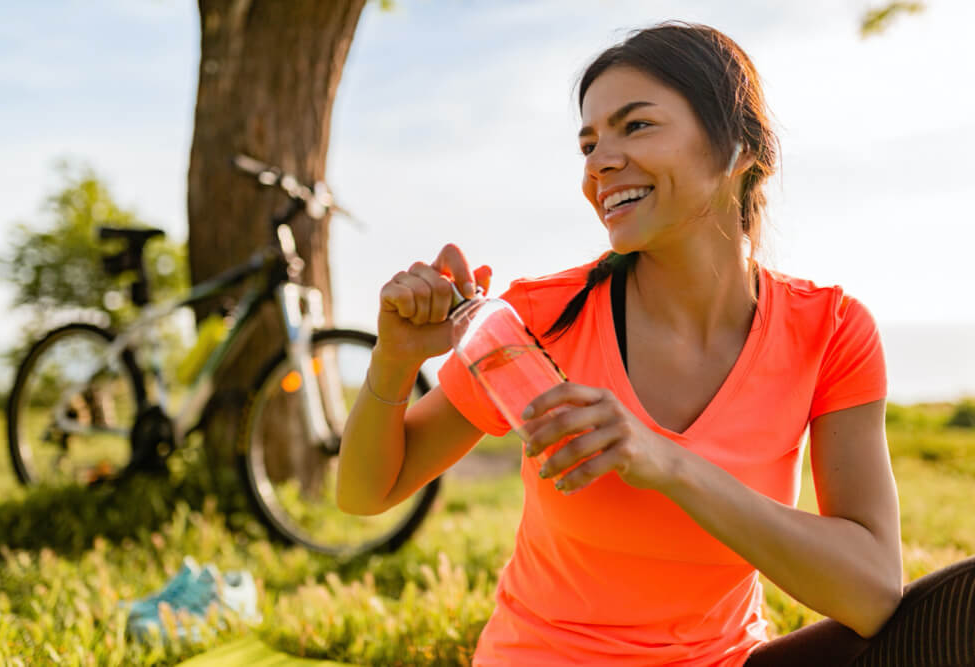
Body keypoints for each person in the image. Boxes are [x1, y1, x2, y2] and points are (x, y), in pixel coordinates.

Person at [336, 21, 975, 666]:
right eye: (588, 142)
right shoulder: (539, 319)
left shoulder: (830, 329)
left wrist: (668, 464)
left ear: (740, 150)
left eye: (635, 126)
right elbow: (366, 493)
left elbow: (871, 595)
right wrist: (394, 361)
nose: (599, 162)